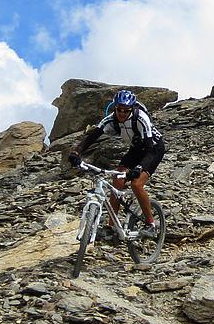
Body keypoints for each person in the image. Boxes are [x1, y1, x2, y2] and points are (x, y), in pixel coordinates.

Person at [68, 90, 165, 237]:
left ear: (131, 109)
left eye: (126, 110)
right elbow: (92, 137)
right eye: (119, 109)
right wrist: (76, 152)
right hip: (136, 148)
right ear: (115, 108)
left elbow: (150, 150)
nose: (122, 113)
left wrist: (139, 168)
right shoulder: (110, 119)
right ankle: (111, 227)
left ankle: (151, 224)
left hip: (153, 148)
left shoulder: (141, 118)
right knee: (117, 181)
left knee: (136, 184)